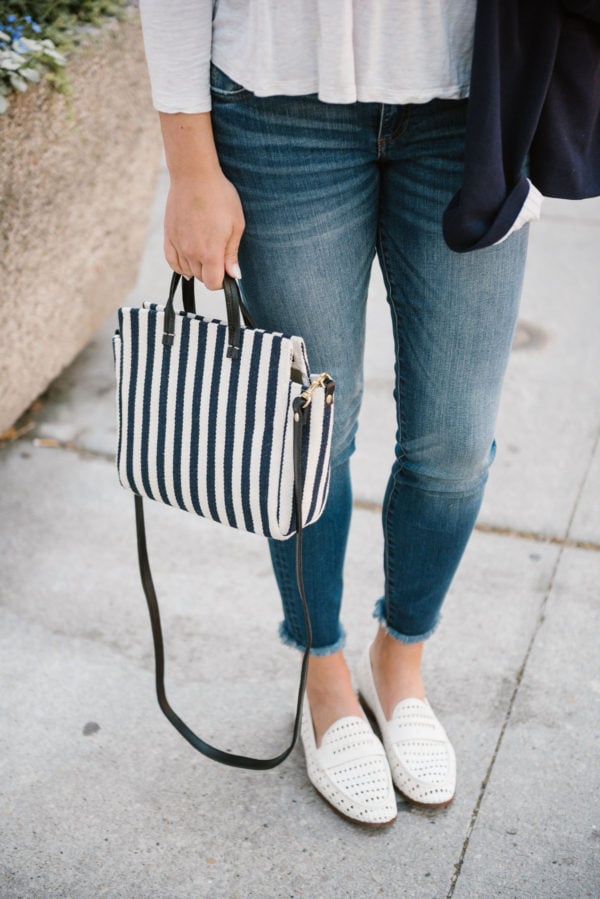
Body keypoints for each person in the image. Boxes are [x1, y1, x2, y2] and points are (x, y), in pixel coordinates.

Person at [138, 0, 534, 827]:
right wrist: (190, 165)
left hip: (480, 105)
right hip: (280, 109)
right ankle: (322, 670)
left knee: (456, 442)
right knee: (308, 436)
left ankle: (402, 658)